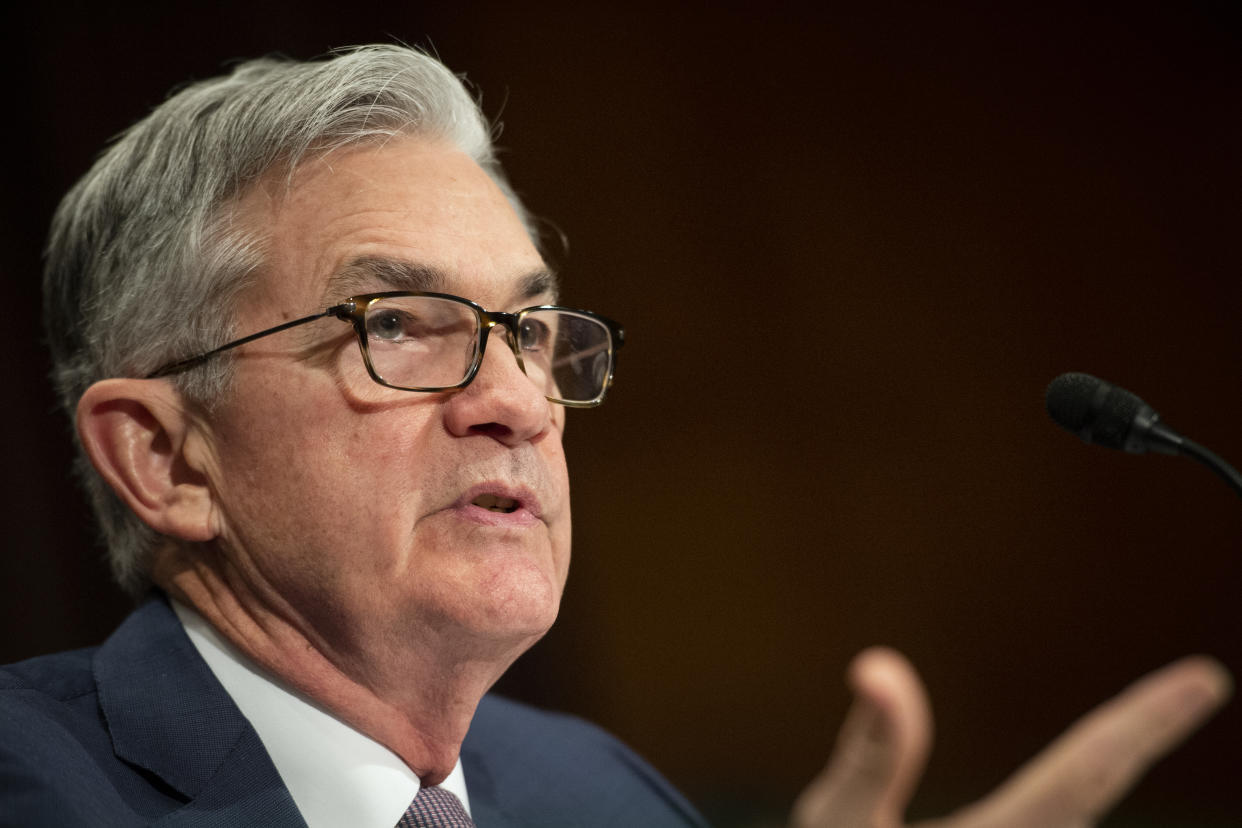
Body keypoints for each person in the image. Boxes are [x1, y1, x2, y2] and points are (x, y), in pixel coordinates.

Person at [1, 44, 1229, 827]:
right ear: (164, 458)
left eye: (530, 332)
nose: (519, 403)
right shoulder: (35, 783)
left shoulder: (600, 796)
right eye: (401, 326)